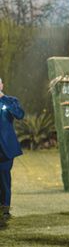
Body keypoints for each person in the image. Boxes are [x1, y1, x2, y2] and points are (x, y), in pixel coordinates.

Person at [0, 77, 24, 228]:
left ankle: (4, 211)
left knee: (4, 181)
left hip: (5, 149)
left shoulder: (11, 100)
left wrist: (4, 100)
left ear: (2, 85)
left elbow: (20, 115)